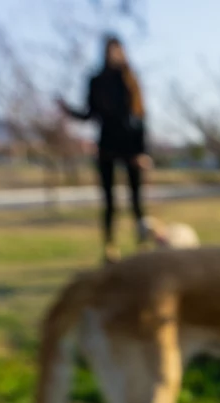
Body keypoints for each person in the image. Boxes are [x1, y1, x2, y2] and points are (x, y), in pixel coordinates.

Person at [58, 35, 153, 263]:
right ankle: (110, 248)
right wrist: (67, 110)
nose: (115, 54)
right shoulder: (96, 80)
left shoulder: (130, 79)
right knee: (109, 201)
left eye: (118, 49)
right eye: (111, 49)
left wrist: (142, 151)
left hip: (131, 147)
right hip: (107, 146)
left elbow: (140, 115)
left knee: (136, 200)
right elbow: (89, 114)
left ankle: (143, 248)